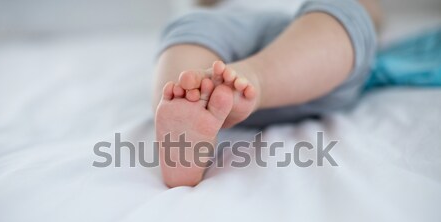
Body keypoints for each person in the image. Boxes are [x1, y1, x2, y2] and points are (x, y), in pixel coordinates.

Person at [153, 0, 383, 187]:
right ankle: (191, 107)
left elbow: (370, 16)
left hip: (302, 38)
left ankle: (245, 81)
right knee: (194, 27)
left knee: (344, 13)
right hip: (227, 22)